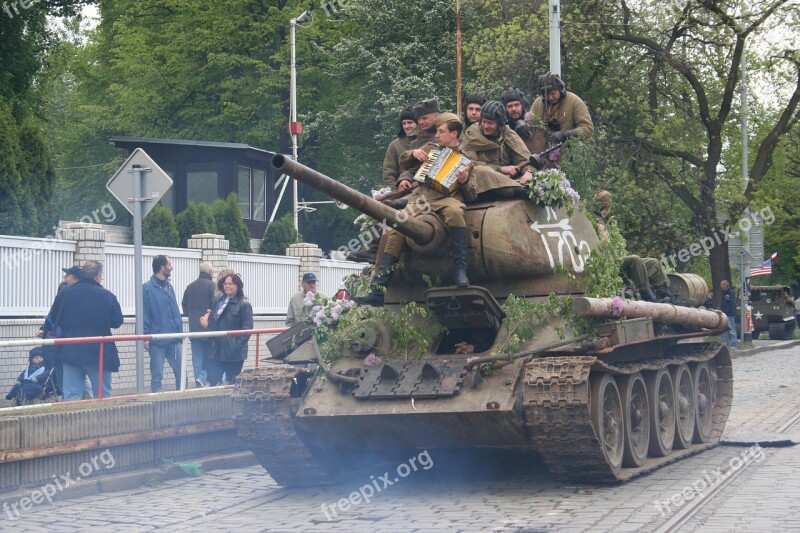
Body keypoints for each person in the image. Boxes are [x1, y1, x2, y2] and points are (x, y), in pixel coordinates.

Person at [355, 113, 478, 306]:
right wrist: (413, 154)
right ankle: (378, 290)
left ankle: (460, 271)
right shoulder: (430, 148)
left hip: (448, 198)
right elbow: (404, 161)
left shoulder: (465, 159)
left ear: (454, 134)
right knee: (397, 229)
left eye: (441, 132)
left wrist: (464, 181)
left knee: (455, 213)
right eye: (436, 131)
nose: (436, 135)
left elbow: (471, 195)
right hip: (421, 198)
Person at [46, 261, 123, 400]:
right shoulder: (107, 296)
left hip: (71, 351)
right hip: (98, 353)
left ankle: (72, 420)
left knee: (71, 396)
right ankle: (103, 421)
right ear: (98, 276)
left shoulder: (65, 293)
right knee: (102, 396)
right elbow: (117, 322)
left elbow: (54, 318)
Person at [594, 190, 675, 302]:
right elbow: (605, 246)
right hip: (610, 261)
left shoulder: (605, 222)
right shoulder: (596, 221)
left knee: (654, 263)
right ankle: (648, 295)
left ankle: (666, 294)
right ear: (607, 208)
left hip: (618, 257)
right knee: (635, 260)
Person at [460, 100, 537, 198]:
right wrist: (500, 169)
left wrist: (528, 173)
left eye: (491, 123)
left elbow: (526, 160)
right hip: (476, 186)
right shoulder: (473, 134)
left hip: (507, 181)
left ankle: (521, 189)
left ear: (500, 125)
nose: (486, 126)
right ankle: (518, 191)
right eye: (484, 122)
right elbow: (467, 164)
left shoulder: (508, 135)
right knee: (480, 171)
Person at [200, 273, 253, 386]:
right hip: (216, 351)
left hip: (233, 354)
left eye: (231, 284)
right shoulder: (218, 302)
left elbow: (247, 329)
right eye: (225, 284)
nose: (227, 286)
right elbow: (214, 323)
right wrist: (207, 323)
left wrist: (236, 346)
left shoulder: (243, 305)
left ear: (237, 286)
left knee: (230, 384)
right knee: (214, 381)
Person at [143, 255, 183, 393]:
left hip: (174, 338)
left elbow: (175, 310)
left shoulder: (169, 286)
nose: (172, 267)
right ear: (162, 267)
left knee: (182, 375)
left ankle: (182, 402)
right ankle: (156, 406)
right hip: (157, 340)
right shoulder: (147, 289)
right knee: (157, 376)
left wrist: (179, 333)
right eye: (169, 265)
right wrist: (145, 337)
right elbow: (145, 313)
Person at [530, 72, 594, 146]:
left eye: (553, 93)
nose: (550, 97)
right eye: (546, 94)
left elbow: (587, 128)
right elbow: (529, 122)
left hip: (569, 149)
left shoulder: (574, 101)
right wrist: (522, 126)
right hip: (542, 151)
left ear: (560, 89)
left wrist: (565, 135)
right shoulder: (538, 103)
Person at [182, 261, 215, 388]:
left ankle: (198, 383)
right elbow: (215, 307)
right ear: (210, 273)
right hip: (208, 330)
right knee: (208, 358)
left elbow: (184, 306)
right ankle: (205, 380)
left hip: (194, 330)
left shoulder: (190, 287)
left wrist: (192, 316)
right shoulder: (212, 286)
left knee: (197, 358)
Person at [382, 107, 417, 188]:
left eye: (410, 122)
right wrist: (395, 191)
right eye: (404, 123)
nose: (406, 126)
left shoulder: (427, 141)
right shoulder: (394, 145)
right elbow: (389, 172)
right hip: (402, 190)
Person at [720, 280, 738, 348]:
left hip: (730, 314)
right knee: (723, 329)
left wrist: (726, 312)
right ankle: (725, 344)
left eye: (722, 285)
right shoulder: (723, 293)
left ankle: (734, 345)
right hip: (723, 314)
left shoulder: (731, 292)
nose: (721, 286)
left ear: (726, 285)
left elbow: (732, 304)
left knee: (732, 330)